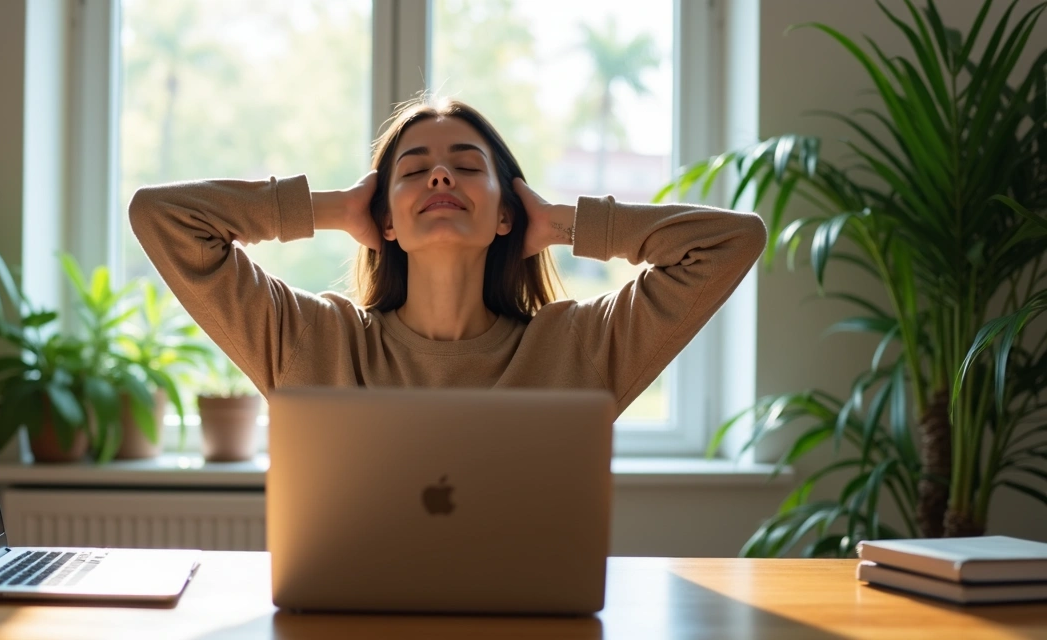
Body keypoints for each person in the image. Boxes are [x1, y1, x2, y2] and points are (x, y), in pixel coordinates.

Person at [129, 97, 767, 418]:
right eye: (413, 171)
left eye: (466, 166)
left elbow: (731, 241)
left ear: (505, 212)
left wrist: (564, 225)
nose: (440, 177)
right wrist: (327, 208)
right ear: (384, 217)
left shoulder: (580, 348)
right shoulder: (312, 341)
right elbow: (164, 218)